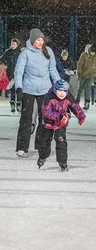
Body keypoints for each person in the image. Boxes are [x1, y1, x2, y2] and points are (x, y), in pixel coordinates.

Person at [14, 28, 61, 157]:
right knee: (26, 119)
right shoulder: (25, 54)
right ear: (33, 40)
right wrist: (19, 87)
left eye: (42, 40)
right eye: (38, 40)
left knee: (45, 119)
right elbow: (19, 71)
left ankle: (41, 145)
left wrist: (59, 85)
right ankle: (22, 147)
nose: (41, 42)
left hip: (45, 89)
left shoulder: (48, 52)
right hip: (29, 89)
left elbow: (53, 70)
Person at [38, 79, 86, 171]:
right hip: (48, 123)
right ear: (55, 90)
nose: (62, 93)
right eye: (60, 91)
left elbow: (75, 107)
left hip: (61, 124)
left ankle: (62, 162)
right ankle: (42, 156)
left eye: (64, 91)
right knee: (45, 142)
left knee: (61, 141)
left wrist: (81, 116)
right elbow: (46, 112)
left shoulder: (68, 97)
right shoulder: (49, 97)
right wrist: (58, 117)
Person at [76, 44, 96, 110]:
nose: (92, 53)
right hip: (83, 74)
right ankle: (76, 102)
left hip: (92, 75)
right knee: (80, 89)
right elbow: (80, 64)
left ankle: (87, 103)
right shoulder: (84, 54)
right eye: (91, 52)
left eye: (94, 52)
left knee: (88, 88)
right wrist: (79, 73)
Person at [0, 38, 22, 113]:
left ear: (17, 45)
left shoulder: (20, 52)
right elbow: (2, 59)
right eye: (12, 44)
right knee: (12, 88)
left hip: (19, 73)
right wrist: (5, 64)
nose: (12, 45)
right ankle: (12, 103)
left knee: (19, 88)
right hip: (10, 73)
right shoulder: (8, 52)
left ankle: (19, 103)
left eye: (14, 44)